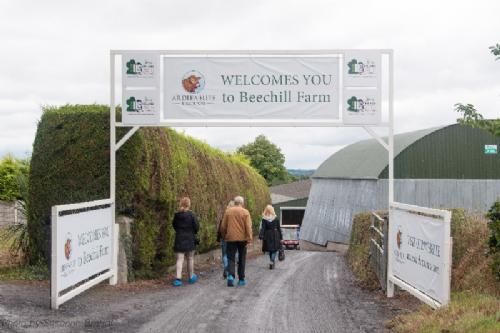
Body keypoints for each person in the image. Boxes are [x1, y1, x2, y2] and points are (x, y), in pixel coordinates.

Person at [219, 195, 252, 287]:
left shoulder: (228, 211)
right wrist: (249, 238)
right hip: (242, 239)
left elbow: (223, 226)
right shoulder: (245, 212)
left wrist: (224, 235)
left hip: (231, 238)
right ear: (242, 203)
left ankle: (230, 276)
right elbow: (248, 227)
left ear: (235, 202)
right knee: (242, 258)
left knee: (231, 258)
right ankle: (241, 279)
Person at [172, 197, 199, 287]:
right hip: (190, 238)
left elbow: (174, 225)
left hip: (179, 238)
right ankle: (191, 276)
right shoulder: (192, 215)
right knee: (190, 258)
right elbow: (196, 227)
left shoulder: (177, 215)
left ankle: (178, 278)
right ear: (189, 204)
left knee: (179, 259)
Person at [259, 205, 282, 269]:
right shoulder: (276, 218)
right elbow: (278, 228)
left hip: (267, 235)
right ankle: (272, 260)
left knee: (269, 249)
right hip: (275, 235)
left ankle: (271, 261)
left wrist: (261, 235)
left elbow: (263, 228)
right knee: (274, 249)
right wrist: (281, 237)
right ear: (272, 210)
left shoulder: (264, 219)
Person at [216, 200, 234, 279]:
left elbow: (221, 227)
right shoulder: (235, 214)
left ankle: (226, 267)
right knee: (232, 254)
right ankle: (228, 268)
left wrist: (222, 235)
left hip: (224, 237)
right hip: (233, 237)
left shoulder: (225, 214)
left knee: (224, 254)